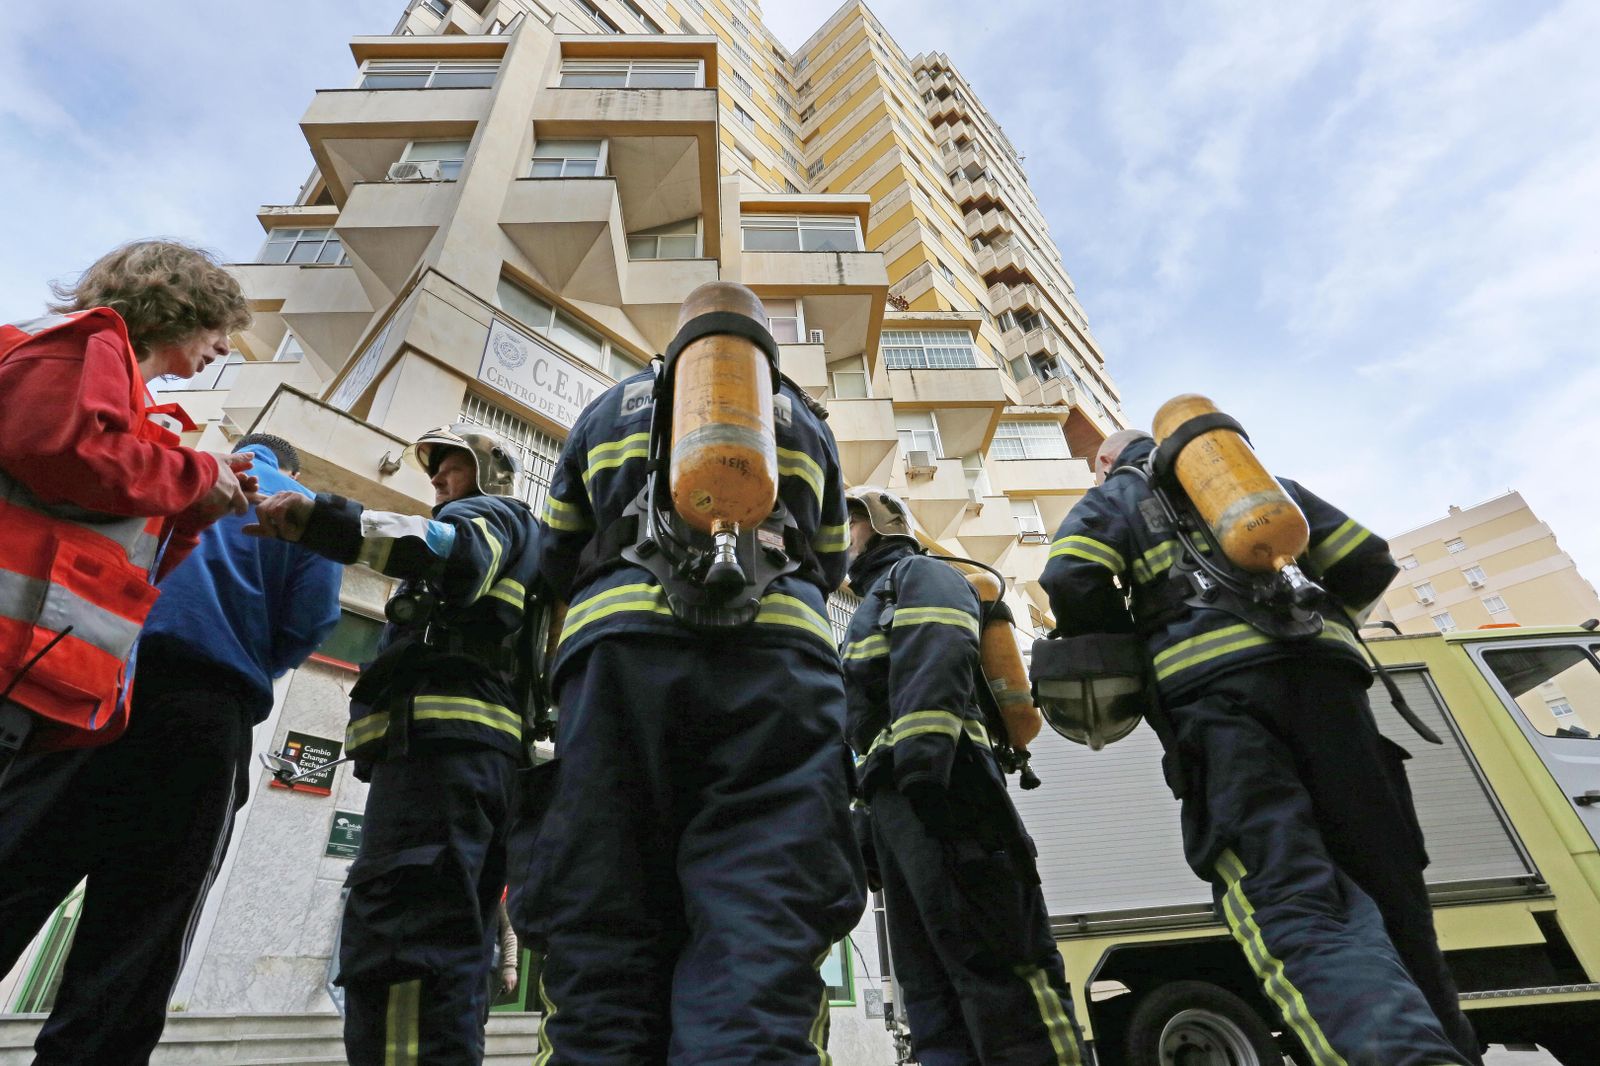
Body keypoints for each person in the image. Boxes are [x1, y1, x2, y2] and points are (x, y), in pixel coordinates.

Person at [1040, 427, 1481, 1066]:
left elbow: (1072, 575)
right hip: (1332, 692)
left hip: (1220, 704)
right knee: (1395, 902)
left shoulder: (1115, 498)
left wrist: (1135, 653)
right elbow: (1366, 561)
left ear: (1108, 462)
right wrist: (1314, 626)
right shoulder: (1260, 488)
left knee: (1292, 896)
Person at [513, 289, 865, 1063]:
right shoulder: (803, 422)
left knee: (603, 917)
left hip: (619, 664)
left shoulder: (609, 408)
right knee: (762, 919)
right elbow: (832, 558)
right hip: (779, 668)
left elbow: (556, 556)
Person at [0, 432, 342, 1066]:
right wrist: (249, 661)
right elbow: (310, 623)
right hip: (204, 715)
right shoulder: (302, 508)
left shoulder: (173, 468)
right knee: (140, 935)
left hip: (90, 685)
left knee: (13, 866)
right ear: (291, 466)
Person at [248, 423, 539, 1066]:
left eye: (451, 465)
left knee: (405, 942)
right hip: (465, 761)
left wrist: (320, 517)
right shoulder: (517, 538)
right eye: (433, 469)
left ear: (492, 472)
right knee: (449, 954)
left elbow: (451, 552)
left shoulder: (487, 516)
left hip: (440, 757)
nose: (435, 479)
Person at [840, 486, 1090, 1066]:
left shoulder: (918, 574)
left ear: (879, 526)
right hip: (901, 801)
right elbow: (864, 727)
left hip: (951, 787)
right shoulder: (868, 606)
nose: (836, 538)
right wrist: (868, 813)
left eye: (847, 524)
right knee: (929, 987)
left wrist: (924, 765)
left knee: (1001, 968)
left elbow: (938, 648)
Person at [0, 238, 254, 776]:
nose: (226, 348)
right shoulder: (81, 344)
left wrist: (193, 513)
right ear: (182, 306)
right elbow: (70, 458)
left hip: (28, 671)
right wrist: (199, 473)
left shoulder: (121, 394)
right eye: (220, 328)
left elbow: (134, 559)